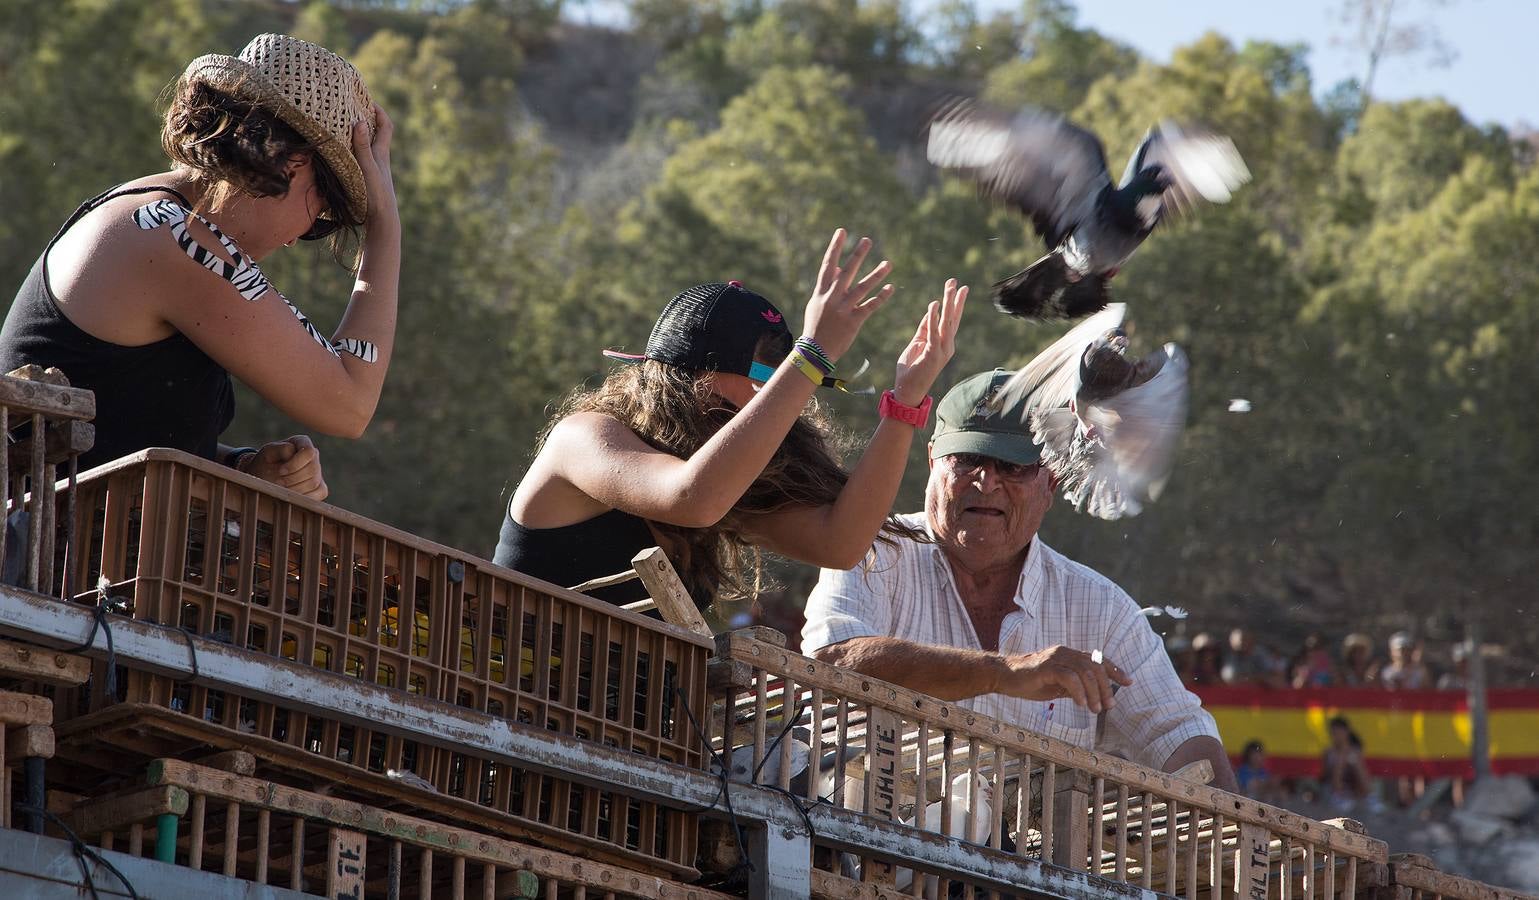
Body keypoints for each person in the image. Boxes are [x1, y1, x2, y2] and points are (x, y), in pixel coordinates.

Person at [0, 34, 400, 499]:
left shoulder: (153, 219)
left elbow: (114, 420)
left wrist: (240, 464)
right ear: (292, 163)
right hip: (39, 561)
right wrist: (385, 225)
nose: (295, 239)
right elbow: (349, 404)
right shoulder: (170, 237)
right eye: (321, 210)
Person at [800, 369, 1238, 792]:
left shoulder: (1102, 608)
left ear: (1052, 479)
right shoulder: (873, 550)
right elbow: (831, 661)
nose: (987, 483)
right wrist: (1005, 672)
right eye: (969, 459)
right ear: (933, 460)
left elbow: (1179, 734)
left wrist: (1238, 840)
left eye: (1014, 466)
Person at [497, 229, 967, 606]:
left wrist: (906, 401)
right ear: (695, 375)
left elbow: (840, 543)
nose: (777, 395)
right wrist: (810, 357)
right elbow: (692, 498)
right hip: (512, 700)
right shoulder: (582, 437)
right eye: (765, 372)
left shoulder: (723, 478)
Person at [1321, 715, 1379, 812]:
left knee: (1356, 763)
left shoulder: (1355, 751)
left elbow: (1363, 775)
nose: (1337, 736)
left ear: (1346, 732)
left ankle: (1370, 798)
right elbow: (1328, 777)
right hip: (1334, 790)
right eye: (1334, 733)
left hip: (1355, 790)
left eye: (1339, 733)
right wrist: (1342, 757)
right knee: (1340, 762)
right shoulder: (1329, 752)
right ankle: (1340, 798)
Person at [1236, 739, 1281, 804]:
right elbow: (1248, 787)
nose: (1257, 757)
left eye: (1259, 754)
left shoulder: (1264, 772)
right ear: (1248, 755)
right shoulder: (1241, 771)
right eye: (1254, 754)